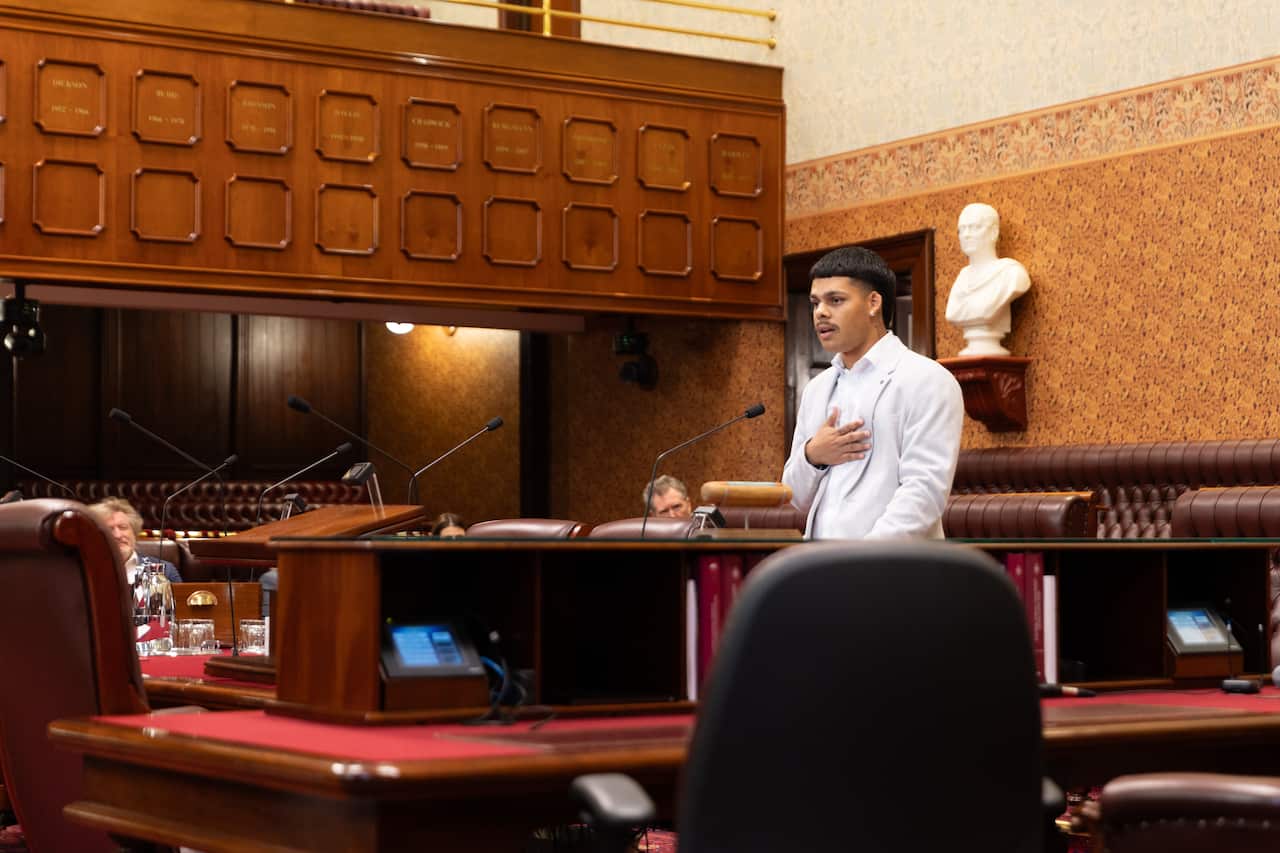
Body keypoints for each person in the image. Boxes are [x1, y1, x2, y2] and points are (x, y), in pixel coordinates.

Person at [783, 246, 964, 540]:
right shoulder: (817, 389)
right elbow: (795, 496)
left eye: (836, 300)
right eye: (815, 303)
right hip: (820, 567)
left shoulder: (928, 380)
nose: (821, 313)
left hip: (894, 570)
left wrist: (865, 560)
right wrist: (813, 455)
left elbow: (924, 491)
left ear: (873, 303)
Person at [944, 202, 1031, 356]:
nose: (967, 234)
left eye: (975, 227)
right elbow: (952, 312)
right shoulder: (962, 278)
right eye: (962, 229)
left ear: (993, 232)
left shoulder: (1012, 274)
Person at [88, 497, 183, 583]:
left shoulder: (165, 571)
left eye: (123, 527)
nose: (117, 535)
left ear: (134, 532)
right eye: (109, 529)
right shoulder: (84, 571)